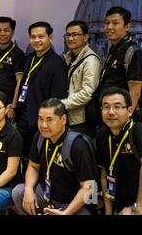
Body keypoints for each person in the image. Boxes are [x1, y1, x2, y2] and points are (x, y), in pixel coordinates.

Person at [12, 98, 97, 215]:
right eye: (40, 119)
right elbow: (33, 166)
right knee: (19, 192)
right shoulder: (40, 137)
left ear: (63, 119)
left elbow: (89, 187)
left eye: (49, 120)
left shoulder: (78, 145)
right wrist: (28, 189)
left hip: (74, 205)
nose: (43, 125)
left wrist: (66, 212)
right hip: (48, 197)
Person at [16, 21, 67, 158]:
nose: (36, 40)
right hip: (23, 117)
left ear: (50, 37)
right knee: (23, 156)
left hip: (41, 122)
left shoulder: (57, 64)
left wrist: (46, 120)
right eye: (33, 37)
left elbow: (57, 98)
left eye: (41, 36)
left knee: (38, 158)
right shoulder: (29, 59)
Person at [96, 87, 142, 215]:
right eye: (106, 107)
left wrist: (137, 208)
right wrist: (108, 211)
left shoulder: (137, 131)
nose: (111, 112)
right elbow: (104, 174)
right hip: (118, 206)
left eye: (117, 106)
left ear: (129, 111)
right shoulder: (102, 135)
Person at [96, 7, 142, 122]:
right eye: (107, 23)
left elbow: (135, 91)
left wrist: (127, 118)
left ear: (127, 26)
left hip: (121, 118)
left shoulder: (133, 51)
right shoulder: (114, 49)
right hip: (110, 115)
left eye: (115, 23)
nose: (109, 27)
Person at [61, 20, 100, 136]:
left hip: (80, 120)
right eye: (68, 35)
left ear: (85, 37)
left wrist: (62, 104)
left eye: (75, 35)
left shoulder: (91, 60)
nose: (70, 38)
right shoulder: (68, 57)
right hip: (68, 116)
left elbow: (87, 93)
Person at [0, 17, 25, 122]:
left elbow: (19, 82)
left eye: (6, 30)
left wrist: (13, 106)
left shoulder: (18, 54)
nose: (2, 34)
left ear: (12, 32)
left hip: (7, 106)